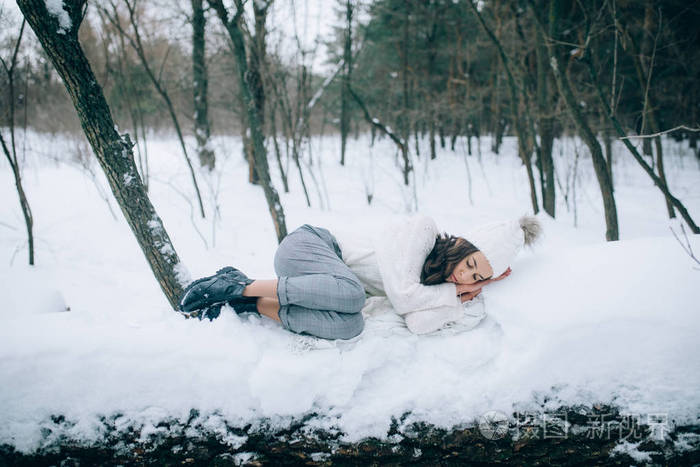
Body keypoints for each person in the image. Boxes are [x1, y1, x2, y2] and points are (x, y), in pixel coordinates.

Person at [178, 214, 542, 339]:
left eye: (476, 278)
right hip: (310, 246)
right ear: (464, 245)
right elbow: (402, 297)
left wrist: (458, 298)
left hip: (319, 286)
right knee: (352, 296)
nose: (466, 276)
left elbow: (417, 325)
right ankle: (233, 284)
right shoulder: (424, 230)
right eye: (471, 264)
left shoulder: (435, 287)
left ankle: (250, 303)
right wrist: (451, 296)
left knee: (350, 326)